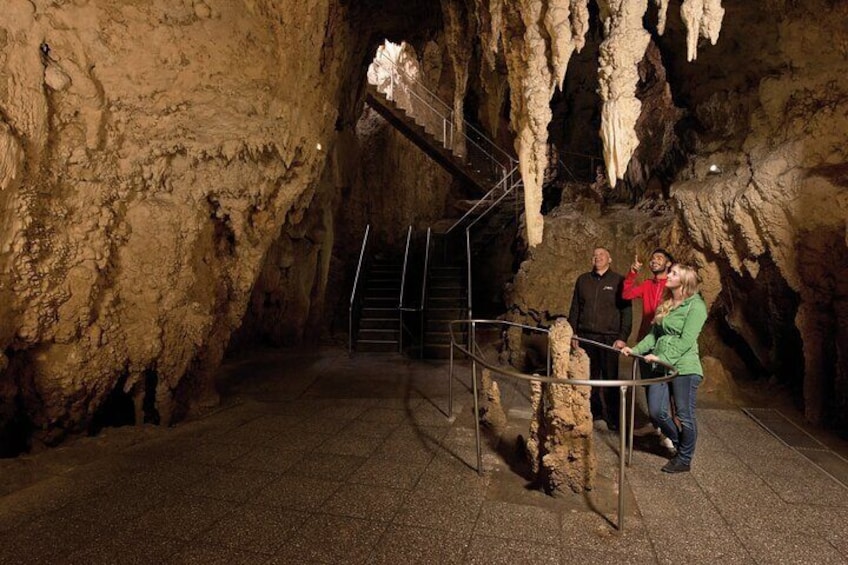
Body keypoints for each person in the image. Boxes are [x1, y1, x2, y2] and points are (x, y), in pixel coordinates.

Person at [622, 264, 708, 473]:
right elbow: (654, 334)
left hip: (684, 367)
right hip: (661, 366)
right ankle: (680, 444)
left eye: (673, 273)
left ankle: (684, 459)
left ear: (685, 281)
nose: (668, 275)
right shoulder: (667, 302)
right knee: (656, 412)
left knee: (684, 414)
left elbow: (686, 340)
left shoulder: (696, 307)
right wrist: (635, 349)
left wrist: (661, 358)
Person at [568, 247, 632, 430]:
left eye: (602, 254)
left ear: (609, 259)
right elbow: (575, 308)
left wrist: (622, 337)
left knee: (611, 379)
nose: (598, 257)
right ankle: (594, 412)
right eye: (595, 255)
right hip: (587, 337)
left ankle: (613, 417)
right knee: (589, 377)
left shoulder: (619, 281)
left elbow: (626, 312)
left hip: (610, 338)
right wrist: (574, 332)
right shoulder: (583, 280)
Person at [623, 248, 676, 447]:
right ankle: (655, 425)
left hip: (664, 343)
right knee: (647, 383)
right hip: (646, 340)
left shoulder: (671, 286)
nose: (654, 261)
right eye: (653, 258)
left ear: (668, 264)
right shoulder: (647, 285)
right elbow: (627, 293)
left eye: (659, 258)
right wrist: (633, 272)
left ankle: (670, 431)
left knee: (667, 386)